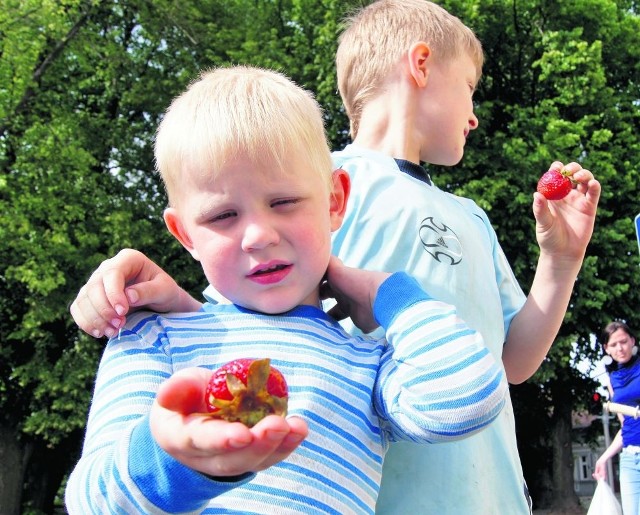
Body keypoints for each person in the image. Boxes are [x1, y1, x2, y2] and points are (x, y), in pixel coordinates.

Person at [69, 1, 601, 513]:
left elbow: (508, 364)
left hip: (486, 491)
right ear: (421, 64)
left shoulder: (471, 217)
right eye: (468, 87)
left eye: (282, 205)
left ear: (332, 202)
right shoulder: (293, 166)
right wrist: (158, 304)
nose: (258, 233)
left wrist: (561, 260)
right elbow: (237, 327)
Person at [594, 321, 640, 514]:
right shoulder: (613, 381)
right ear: (606, 348)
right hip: (631, 458)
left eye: (623, 341)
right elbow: (625, 427)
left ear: (632, 341)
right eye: (613, 344)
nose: (620, 348)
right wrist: (603, 459)